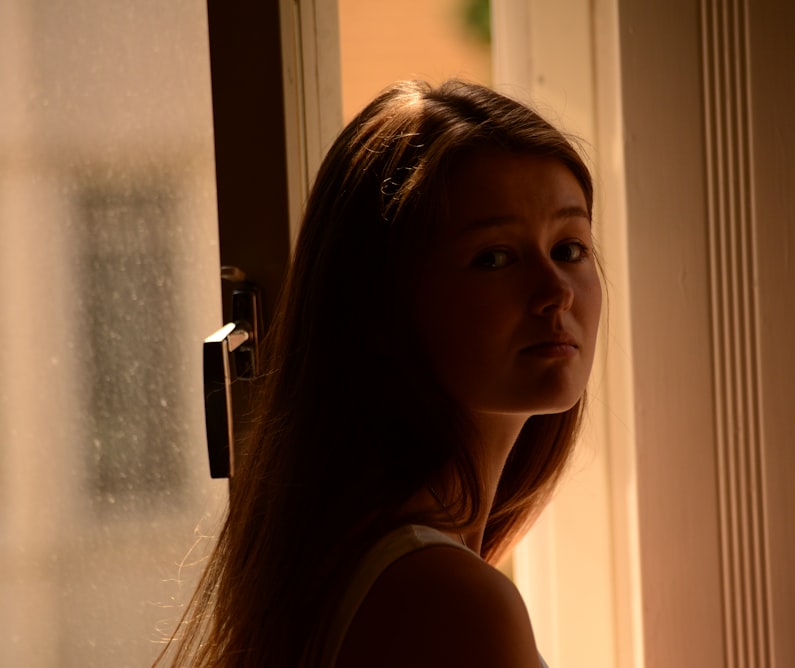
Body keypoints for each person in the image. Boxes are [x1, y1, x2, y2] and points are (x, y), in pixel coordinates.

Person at [157, 79, 602, 667]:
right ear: (382, 307)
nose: (555, 292)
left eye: (569, 248)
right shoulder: (449, 601)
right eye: (494, 257)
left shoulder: (357, 563)